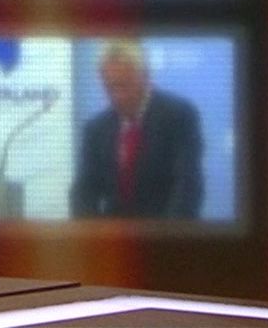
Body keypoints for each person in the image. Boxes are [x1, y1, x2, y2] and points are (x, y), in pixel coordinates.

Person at [70, 39, 204, 219]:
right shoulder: (96, 129)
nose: (117, 96)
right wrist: (91, 232)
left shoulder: (179, 116)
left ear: (146, 77)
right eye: (110, 87)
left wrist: (165, 235)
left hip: (165, 230)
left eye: (124, 85)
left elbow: (187, 188)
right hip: (114, 234)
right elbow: (84, 191)